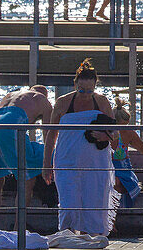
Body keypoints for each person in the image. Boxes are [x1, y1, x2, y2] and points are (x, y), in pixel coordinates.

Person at [43, 60, 117, 235]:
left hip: (96, 164)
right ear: (75, 84)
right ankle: (66, 238)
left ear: (95, 87)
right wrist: (46, 164)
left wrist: (104, 135)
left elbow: (115, 134)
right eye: (81, 90)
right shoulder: (62, 103)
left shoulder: (102, 102)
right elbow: (51, 135)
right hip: (66, 161)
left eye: (90, 91)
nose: (85, 94)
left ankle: (90, 242)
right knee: (68, 204)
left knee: (93, 204)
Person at [0, 86, 52, 229]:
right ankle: (18, 227)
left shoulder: (11, 95)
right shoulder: (42, 100)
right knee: (27, 177)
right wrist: (48, 159)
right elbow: (48, 134)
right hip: (11, 126)